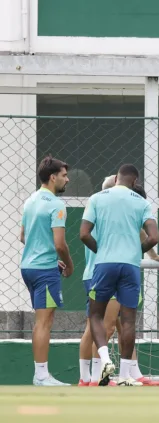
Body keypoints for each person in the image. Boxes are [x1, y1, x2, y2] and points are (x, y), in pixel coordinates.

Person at [79, 179, 159, 387]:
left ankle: (131, 373)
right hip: (104, 273)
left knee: (117, 325)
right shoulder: (110, 213)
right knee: (106, 326)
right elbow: (141, 233)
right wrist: (148, 252)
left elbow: (139, 232)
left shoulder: (100, 209)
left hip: (98, 272)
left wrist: (153, 254)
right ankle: (97, 377)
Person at [21, 156, 74, 386]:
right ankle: (41, 376)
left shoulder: (30, 200)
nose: (67, 179)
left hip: (28, 267)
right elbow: (60, 244)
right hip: (43, 270)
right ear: (53, 177)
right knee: (44, 322)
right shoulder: (56, 204)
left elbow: (23, 236)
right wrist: (69, 264)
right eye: (64, 175)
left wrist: (45, 254)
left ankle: (41, 374)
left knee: (42, 320)